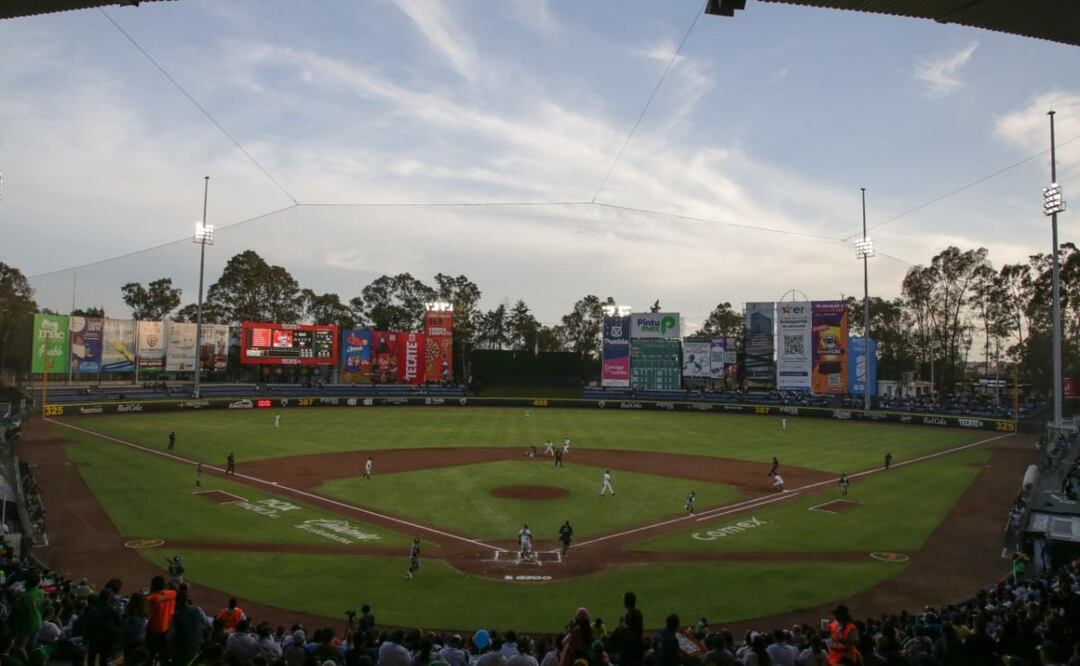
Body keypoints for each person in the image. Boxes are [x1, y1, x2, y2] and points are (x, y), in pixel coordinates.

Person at [145, 575, 177, 663]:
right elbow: (176, 590)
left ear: (153, 586)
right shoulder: (172, 594)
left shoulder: (151, 598)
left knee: (149, 654)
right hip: (167, 629)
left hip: (153, 631)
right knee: (162, 655)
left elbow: (145, 612)